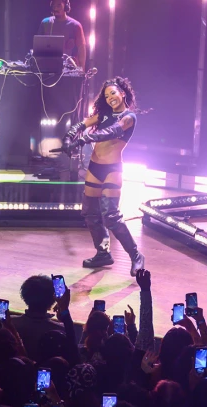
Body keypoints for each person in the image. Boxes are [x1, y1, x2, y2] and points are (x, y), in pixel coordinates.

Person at [65, 76, 145, 276]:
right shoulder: (102, 114)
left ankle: (136, 256)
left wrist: (84, 139)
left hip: (112, 169)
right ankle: (103, 253)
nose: (110, 98)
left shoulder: (129, 117)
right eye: (107, 95)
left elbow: (111, 132)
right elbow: (81, 124)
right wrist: (69, 137)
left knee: (111, 216)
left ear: (123, 93)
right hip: (94, 168)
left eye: (113, 93)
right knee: (90, 213)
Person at [38, 0, 87, 70]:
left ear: (66, 6)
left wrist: (82, 71)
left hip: (69, 71)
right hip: (48, 69)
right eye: (53, 6)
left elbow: (81, 50)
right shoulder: (45, 23)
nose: (55, 8)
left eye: (59, 5)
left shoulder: (75, 26)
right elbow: (38, 48)